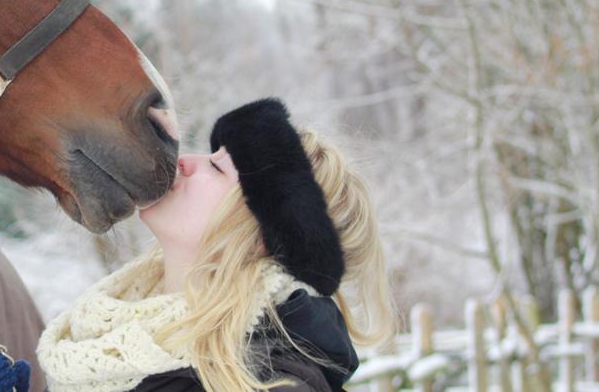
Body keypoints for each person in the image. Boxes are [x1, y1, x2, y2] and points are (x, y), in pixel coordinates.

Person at [35, 98, 396, 392]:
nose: (186, 163)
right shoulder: (102, 337)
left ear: (261, 236)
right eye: (210, 157)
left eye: (218, 169)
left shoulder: (269, 382)